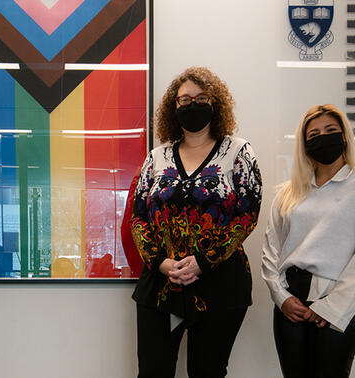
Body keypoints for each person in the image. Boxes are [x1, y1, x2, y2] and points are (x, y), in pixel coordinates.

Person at [130, 67, 262, 378]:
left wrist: (203, 262)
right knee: (153, 371)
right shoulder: (156, 157)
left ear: (216, 104)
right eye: (184, 100)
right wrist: (160, 262)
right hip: (161, 283)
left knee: (208, 371)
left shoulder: (239, 152)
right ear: (172, 108)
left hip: (220, 283)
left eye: (201, 98)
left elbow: (248, 214)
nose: (192, 104)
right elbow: (139, 216)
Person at [261, 104, 355, 378]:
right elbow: (271, 250)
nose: (322, 138)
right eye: (313, 134)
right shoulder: (288, 193)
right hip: (292, 300)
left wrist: (332, 306)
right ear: (303, 144)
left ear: (345, 136)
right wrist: (282, 297)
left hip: (339, 297)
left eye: (330, 131)